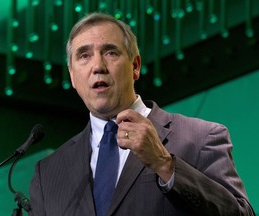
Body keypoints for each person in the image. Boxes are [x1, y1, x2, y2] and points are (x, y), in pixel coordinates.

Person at [29, 12, 255, 216]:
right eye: (84, 55)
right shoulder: (48, 172)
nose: (98, 66)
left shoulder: (201, 138)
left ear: (135, 66)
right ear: (72, 77)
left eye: (110, 52)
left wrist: (164, 164)